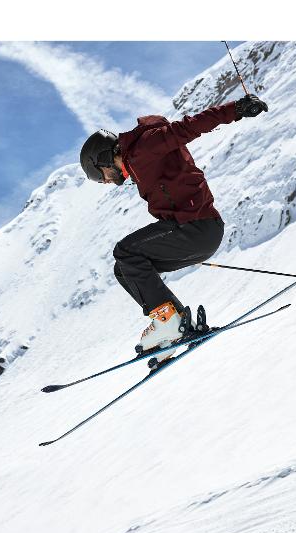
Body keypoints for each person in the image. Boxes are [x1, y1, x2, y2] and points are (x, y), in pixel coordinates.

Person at [79, 94, 268, 365]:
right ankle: (174, 326)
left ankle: (168, 323)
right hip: (192, 230)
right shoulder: (138, 161)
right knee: (124, 269)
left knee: (125, 252)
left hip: (196, 228)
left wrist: (236, 110)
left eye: (101, 176)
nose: (107, 182)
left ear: (104, 158)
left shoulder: (144, 147)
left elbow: (188, 128)